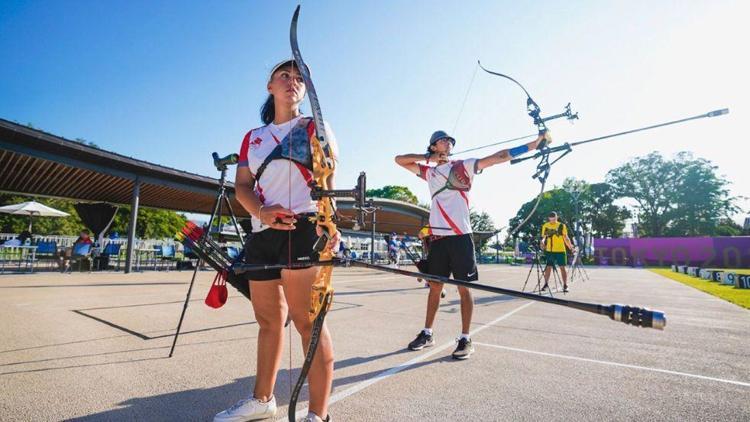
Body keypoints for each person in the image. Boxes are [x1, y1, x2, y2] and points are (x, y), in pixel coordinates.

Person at [214, 59, 339, 422]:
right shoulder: (252, 137)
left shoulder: (316, 127)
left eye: (299, 78)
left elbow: (329, 182)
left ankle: (318, 414)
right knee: (268, 322)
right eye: (284, 76)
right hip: (262, 233)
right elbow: (242, 186)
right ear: (270, 86)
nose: (292, 82)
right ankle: (263, 399)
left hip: (305, 231)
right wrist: (262, 213)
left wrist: (330, 224)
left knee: (309, 324)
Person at [395, 129, 548, 359]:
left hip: (460, 237)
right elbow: (399, 160)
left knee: (464, 288)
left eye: (449, 141)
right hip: (438, 239)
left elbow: (499, 157)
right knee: (435, 287)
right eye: (443, 141)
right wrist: (429, 159)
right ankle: (427, 333)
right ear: (434, 146)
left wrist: (533, 145)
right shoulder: (429, 173)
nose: (448, 143)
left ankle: (466, 338)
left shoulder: (463, 166)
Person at [540, 211, 576, 292]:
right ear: (549, 218)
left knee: (562, 267)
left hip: (560, 250)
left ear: (557, 218)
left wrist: (571, 247)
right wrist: (542, 241)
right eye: (551, 220)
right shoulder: (546, 225)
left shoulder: (561, 225)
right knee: (548, 267)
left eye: (554, 219)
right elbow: (544, 237)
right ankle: (545, 284)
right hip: (549, 250)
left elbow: (566, 238)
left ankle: (565, 285)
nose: (552, 221)